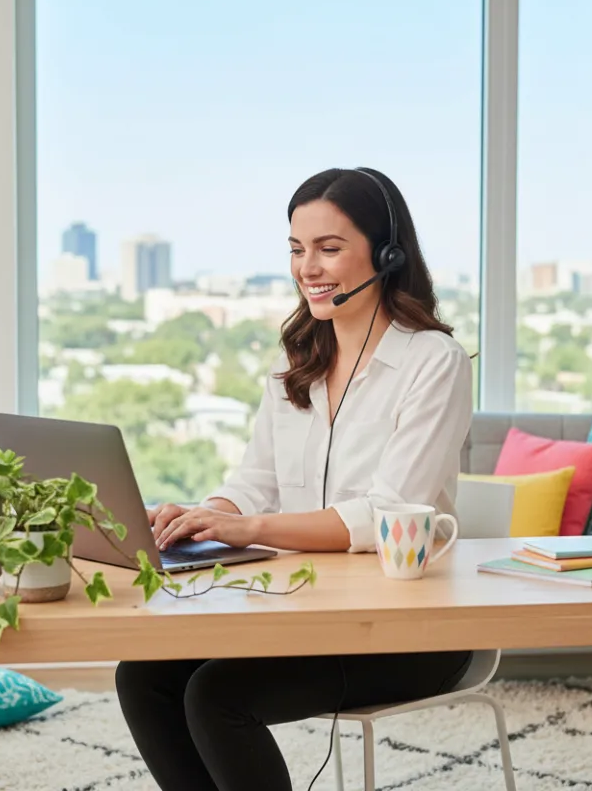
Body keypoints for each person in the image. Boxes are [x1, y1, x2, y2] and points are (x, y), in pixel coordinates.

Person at [115, 167, 475, 791]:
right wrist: (205, 513)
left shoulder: (431, 361)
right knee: (141, 674)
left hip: (407, 631)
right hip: (309, 609)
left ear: (386, 254)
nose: (308, 267)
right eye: (297, 249)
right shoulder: (298, 362)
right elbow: (255, 480)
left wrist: (247, 527)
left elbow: (388, 511)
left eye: (329, 249)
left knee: (215, 697)